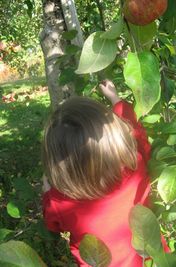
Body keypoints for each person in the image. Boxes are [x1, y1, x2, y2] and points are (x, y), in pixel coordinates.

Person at [42, 80, 154, 266]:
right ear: (115, 136)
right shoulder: (136, 167)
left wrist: (47, 193)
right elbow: (137, 134)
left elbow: (52, 224)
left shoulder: (59, 202)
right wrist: (116, 100)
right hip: (152, 259)